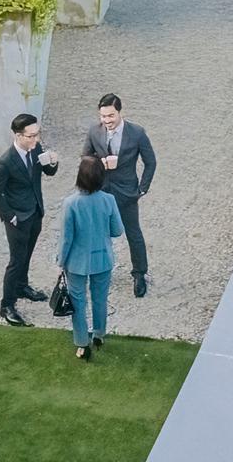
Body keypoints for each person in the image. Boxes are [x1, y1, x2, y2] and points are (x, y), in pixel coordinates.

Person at [0, 113, 59, 327]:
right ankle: (7, 305)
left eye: (37, 134)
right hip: (18, 218)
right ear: (18, 136)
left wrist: (53, 163)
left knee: (27, 255)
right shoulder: (5, 162)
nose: (36, 140)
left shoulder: (35, 148)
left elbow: (47, 171)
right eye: (31, 136)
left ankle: (22, 285)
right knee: (16, 261)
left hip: (35, 211)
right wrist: (11, 217)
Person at [83, 93, 157, 298]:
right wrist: (100, 163)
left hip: (127, 192)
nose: (107, 120)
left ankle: (140, 274)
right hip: (101, 191)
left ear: (120, 113)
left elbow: (150, 162)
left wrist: (142, 189)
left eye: (111, 116)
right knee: (98, 233)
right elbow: (85, 157)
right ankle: (98, 271)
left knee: (134, 234)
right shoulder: (94, 131)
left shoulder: (137, 133)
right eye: (103, 116)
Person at [58, 155, 124, 361]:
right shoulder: (109, 200)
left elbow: (66, 239)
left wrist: (61, 260)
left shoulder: (71, 203)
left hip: (77, 262)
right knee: (100, 299)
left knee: (78, 302)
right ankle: (99, 334)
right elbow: (117, 231)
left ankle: (81, 343)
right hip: (103, 259)